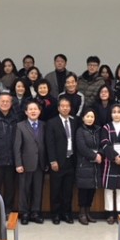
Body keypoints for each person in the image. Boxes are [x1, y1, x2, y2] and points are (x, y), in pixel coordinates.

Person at [14, 100, 46, 225]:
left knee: (38, 190)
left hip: (40, 163)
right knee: (24, 189)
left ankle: (35, 212)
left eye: (35, 109)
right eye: (30, 109)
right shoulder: (20, 126)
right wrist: (18, 164)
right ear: (26, 112)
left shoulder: (44, 125)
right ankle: (24, 213)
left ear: (39, 111)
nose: (33, 111)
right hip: (25, 163)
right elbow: (17, 147)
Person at [46, 96, 77, 224]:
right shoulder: (52, 122)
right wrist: (52, 160)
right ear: (58, 108)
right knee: (56, 190)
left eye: (67, 106)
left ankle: (67, 213)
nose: (65, 108)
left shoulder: (74, 121)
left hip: (71, 160)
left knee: (68, 190)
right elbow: (50, 143)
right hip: (58, 161)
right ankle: (56, 214)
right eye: (62, 106)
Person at [101, 104, 120, 224]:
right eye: (114, 112)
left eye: (119, 112)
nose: (116, 114)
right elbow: (105, 143)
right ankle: (109, 214)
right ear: (111, 114)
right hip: (110, 161)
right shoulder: (106, 127)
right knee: (109, 189)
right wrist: (114, 156)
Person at [75, 108, 102, 225]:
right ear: (83, 118)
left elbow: (103, 144)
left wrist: (100, 154)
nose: (90, 119)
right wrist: (94, 156)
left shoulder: (98, 130)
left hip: (96, 165)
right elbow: (82, 147)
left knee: (92, 189)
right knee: (83, 190)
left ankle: (88, 212)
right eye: (87, 116)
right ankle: (82, 213)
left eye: (92, 116)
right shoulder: (80, 131)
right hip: (84, 164)